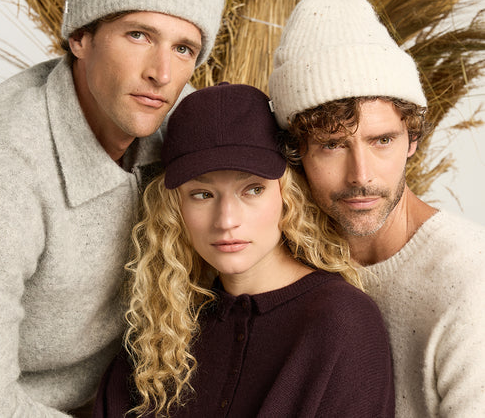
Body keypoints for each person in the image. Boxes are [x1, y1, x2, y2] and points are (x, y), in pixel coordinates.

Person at [0, 0, 224, 415]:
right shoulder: (4, 166)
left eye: (183, 48)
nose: (162, 73)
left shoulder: (177, 120)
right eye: (139, 35)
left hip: (120, 397)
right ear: (81, 37)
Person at [92, 82, 395, 418]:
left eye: (252, 190)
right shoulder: (161, 333)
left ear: (288, 195)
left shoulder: (342, 322)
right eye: (202, 194)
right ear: (173, 208)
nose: (226, 220)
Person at [269, 0, 485, 417]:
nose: (361, 175)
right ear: (296, 154)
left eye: (382, 140)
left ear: (412, 139)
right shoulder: (285, 261)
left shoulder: (469, 280)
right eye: (332, 145)